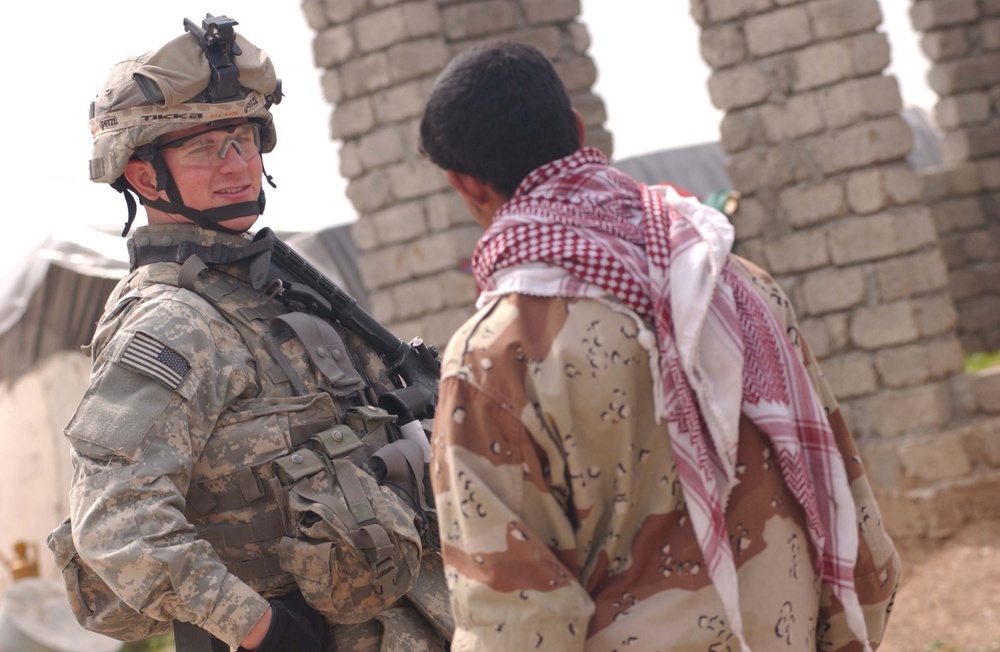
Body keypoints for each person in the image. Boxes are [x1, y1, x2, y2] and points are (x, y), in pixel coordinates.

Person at [420, 41, 901, 652]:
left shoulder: (494, 360)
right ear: (575, 129)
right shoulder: (732, 281)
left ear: (464, 184)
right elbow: (846, 504)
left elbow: (515, 623)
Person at [46, 14, 448, 652]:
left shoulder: (265, 288)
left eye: (243, 141)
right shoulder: (172, 320)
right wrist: (262, 630)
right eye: (204, 148)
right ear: (146, 176)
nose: (236, 166)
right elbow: (116, 519)